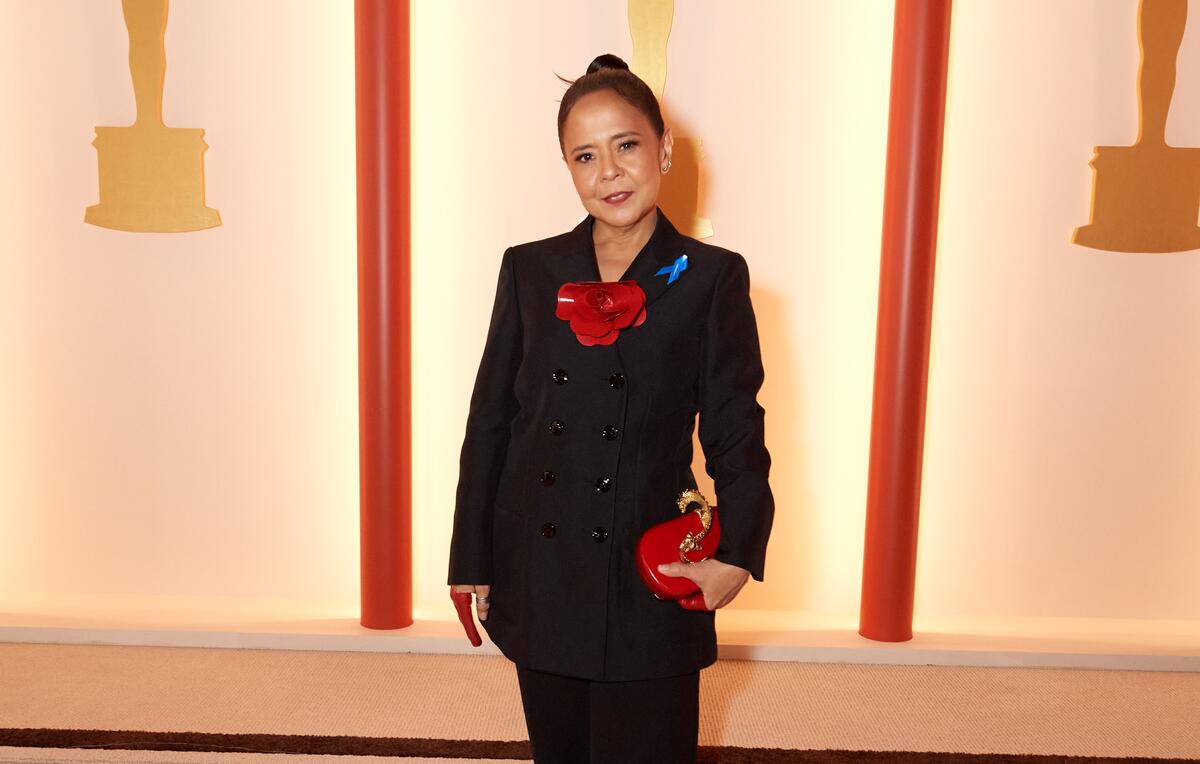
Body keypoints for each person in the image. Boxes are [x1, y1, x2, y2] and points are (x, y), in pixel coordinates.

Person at [448, 53, 774, 764]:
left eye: (626, 146)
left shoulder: (712, 278)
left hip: (647, 576)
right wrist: (470, 553)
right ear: (567, 168)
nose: (609, 172)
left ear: (663, 147)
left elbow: (733, 427)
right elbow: (491, 422)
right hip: (542, 566)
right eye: (585, 156)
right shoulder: (529, 269)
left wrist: (738, 551)